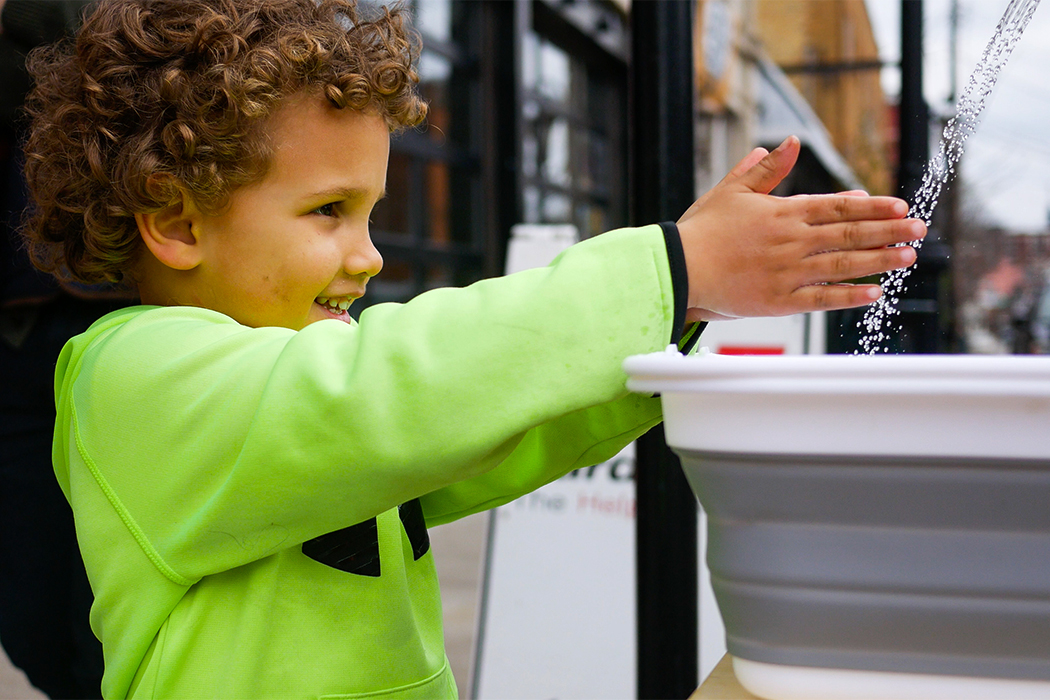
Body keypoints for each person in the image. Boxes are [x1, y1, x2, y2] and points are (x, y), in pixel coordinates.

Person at [19, 0, 925, 698]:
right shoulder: (134, 377)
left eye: (370, 214)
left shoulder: (324, 401)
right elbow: (392, 390)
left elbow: (493, 429)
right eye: (328, 211)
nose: (370, 256)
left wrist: (674, 313)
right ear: (178, 222)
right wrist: (670, 266)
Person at [1, 1, 115, 697]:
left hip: (137, 314)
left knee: (106, 606)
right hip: (20, 327)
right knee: (28, 608)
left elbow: (90, 35)